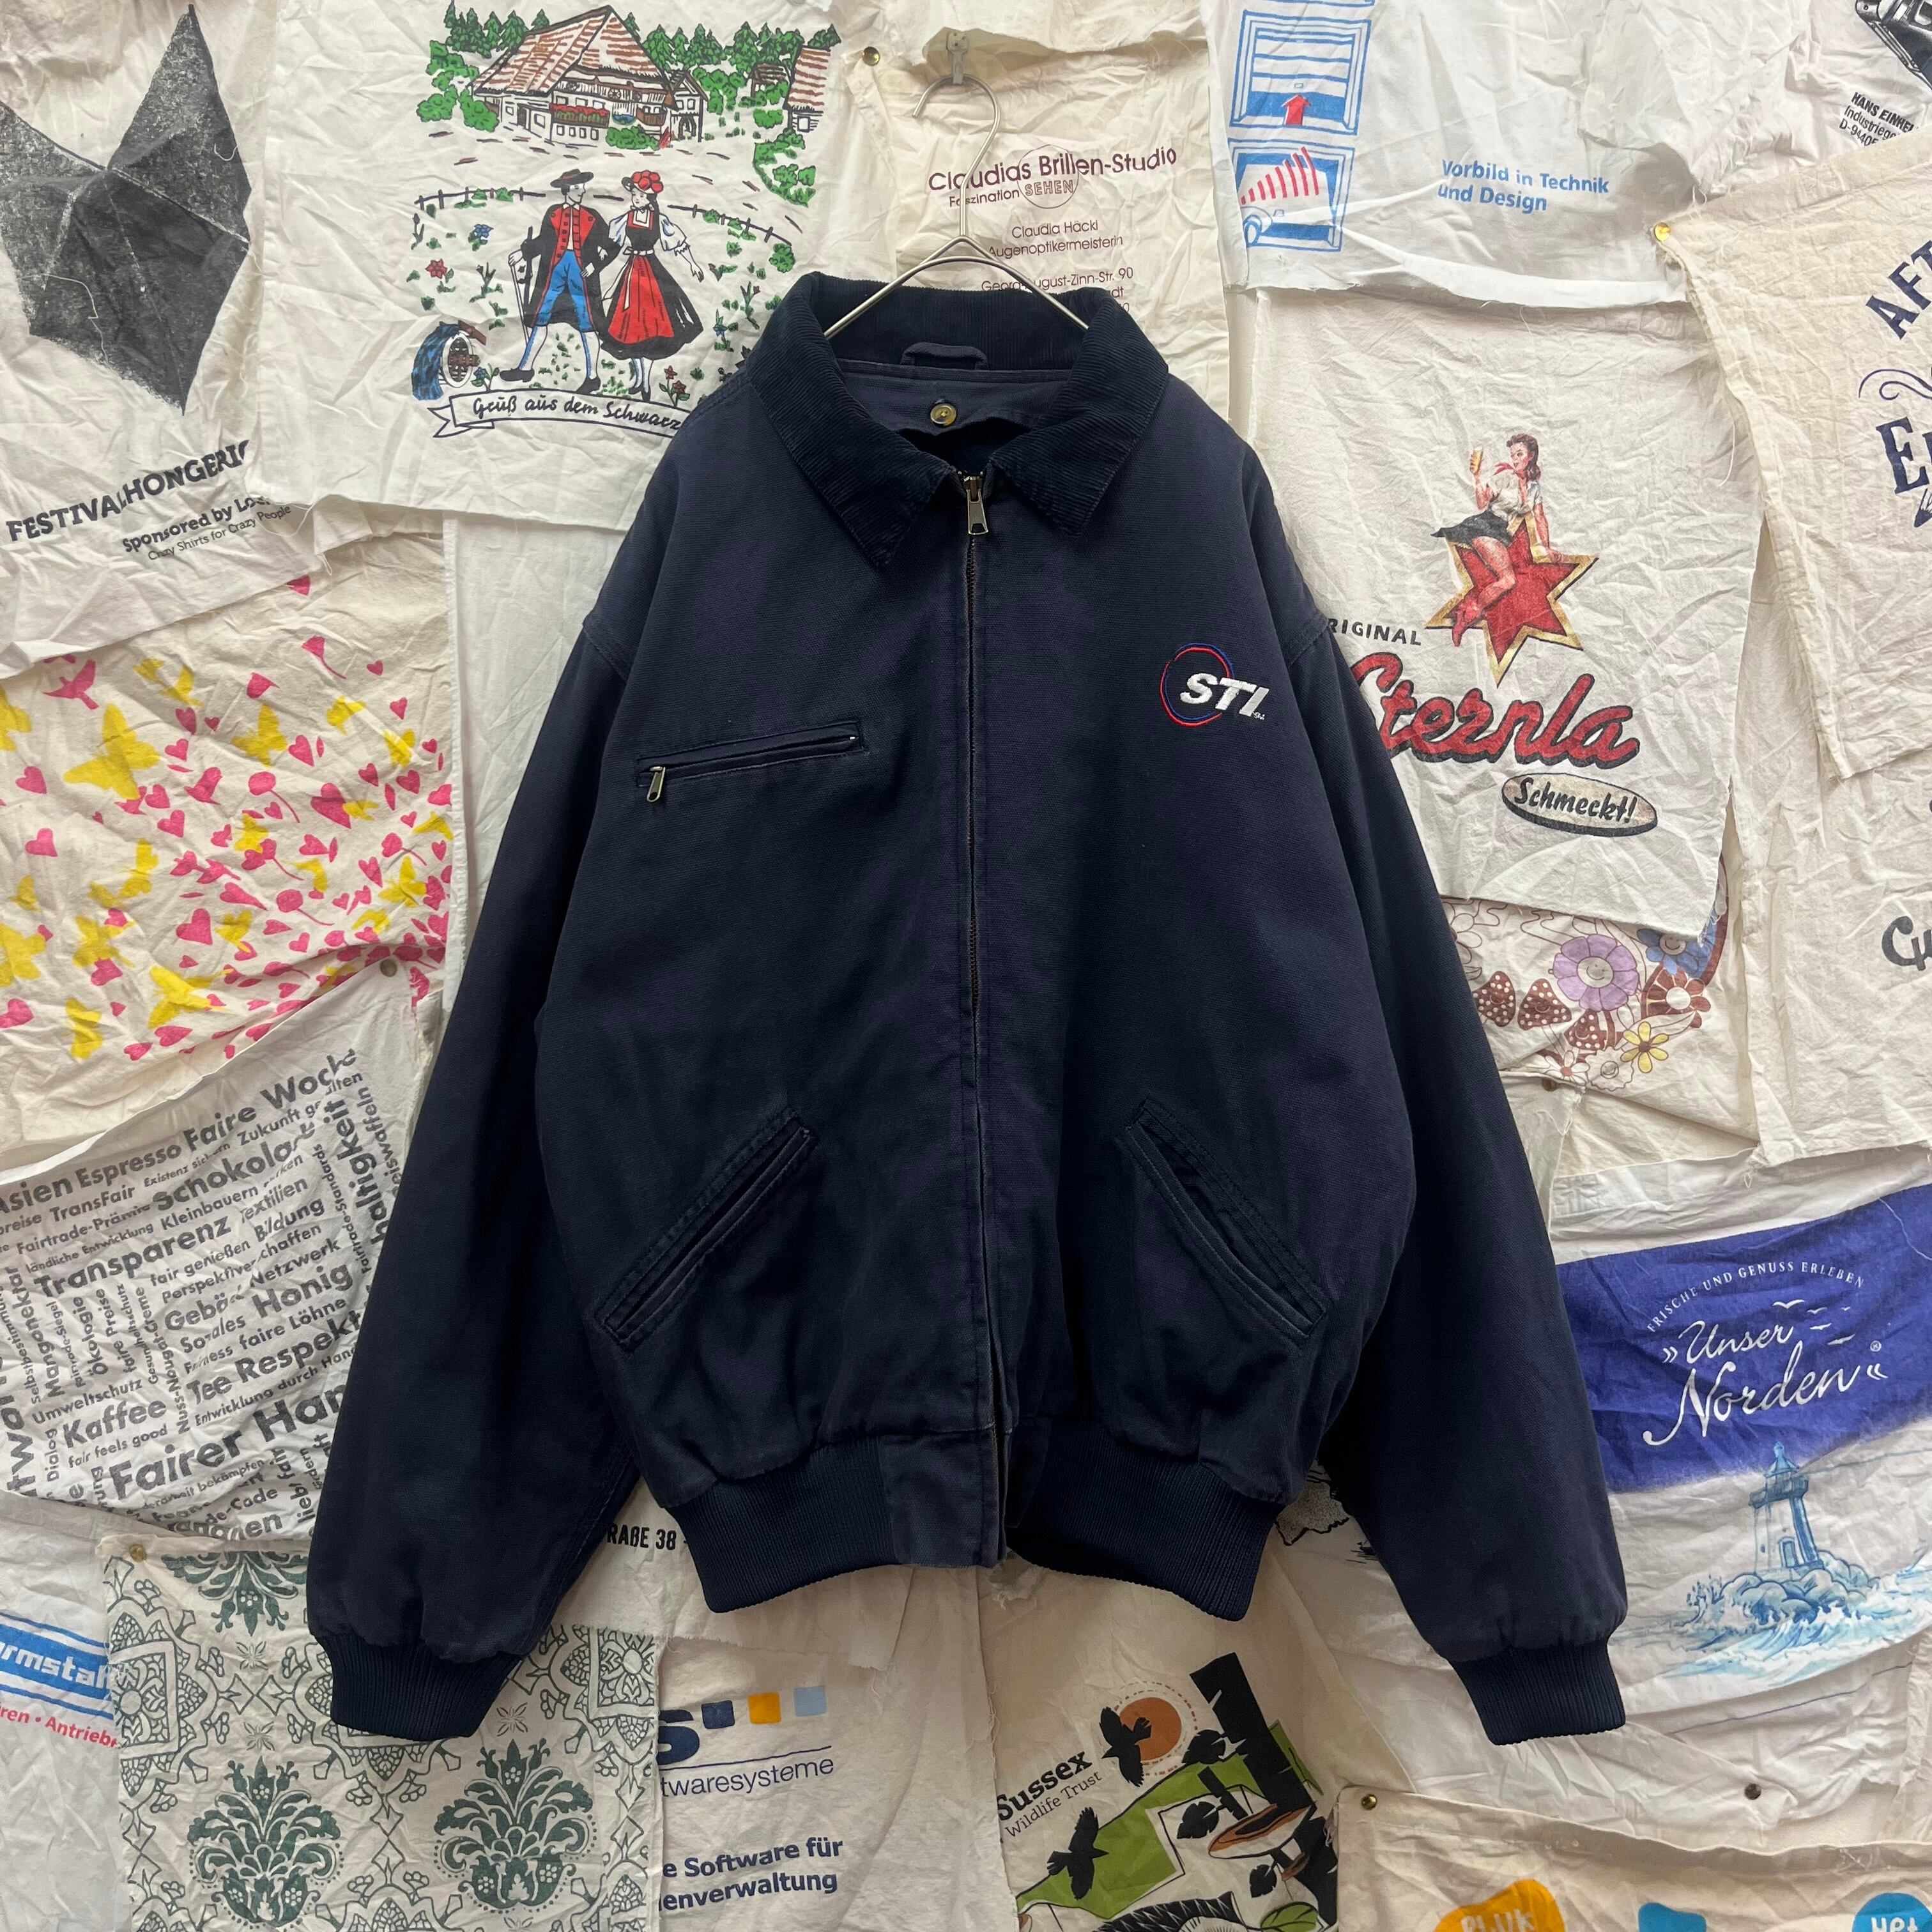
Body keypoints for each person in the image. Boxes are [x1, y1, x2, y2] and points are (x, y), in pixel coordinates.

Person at [1433, 433, 1568, 644]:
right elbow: (1482, 502)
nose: (1515, 459)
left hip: (1501, 531)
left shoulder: (1534, 488)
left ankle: (1467, 614)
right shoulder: (1505, 477)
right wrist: (1477, 477)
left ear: (1531, 456)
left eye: (1519, 454)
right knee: (1508, 580)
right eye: (1513, 455)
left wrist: (1547, 548)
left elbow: (1540, 517)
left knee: (1510, 581)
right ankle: (1465, 617)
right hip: (1484, 526)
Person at [501, 169, 618, 394]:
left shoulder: (592, 216)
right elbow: (544, 241)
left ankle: (593, 377)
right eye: (577, 188)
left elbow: (612, 245)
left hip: (582, 272)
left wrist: (595, 265)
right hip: (554, 270)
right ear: (566, 191)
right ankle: (525, 368)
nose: (582, 191)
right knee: (540, 317)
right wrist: (523, 252)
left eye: (582, 187)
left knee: (587, 321)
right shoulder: (553, 213)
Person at [598, 169, 703, 399]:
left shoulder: (659, 220)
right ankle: (638, 378)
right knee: (629, 328)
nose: (637, 199)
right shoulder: (625, 219)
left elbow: (677, 244)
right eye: (635, 194)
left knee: (652, 325)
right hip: (632, 274)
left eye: (642, 195)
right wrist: (601, 254)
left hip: (651, 272)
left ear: (650, 199)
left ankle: (645, 381)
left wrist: (693, 265)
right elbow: (612, 243)